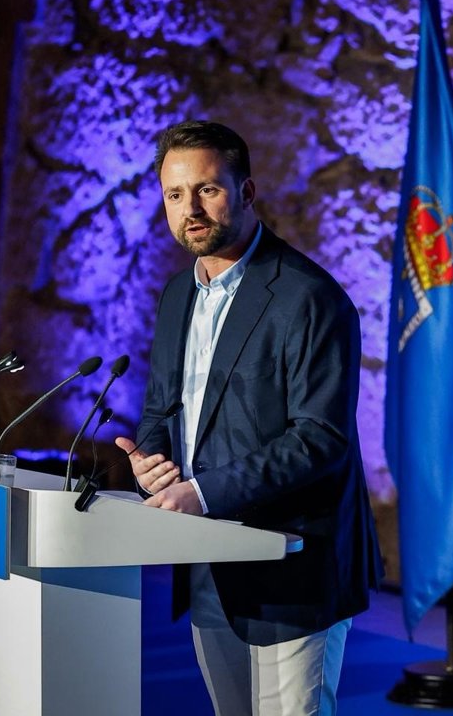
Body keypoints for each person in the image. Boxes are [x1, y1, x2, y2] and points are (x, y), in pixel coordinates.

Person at [118, 119, 383, 715]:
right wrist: (153, 463)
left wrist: (201, 493)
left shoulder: (309, 297)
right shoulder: (176, 295)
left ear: (246, 192)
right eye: (175, 194)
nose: (191, 209)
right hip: (210, 563)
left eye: (207, 189)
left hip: (294, 565)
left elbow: (321, 438)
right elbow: (162, 408)